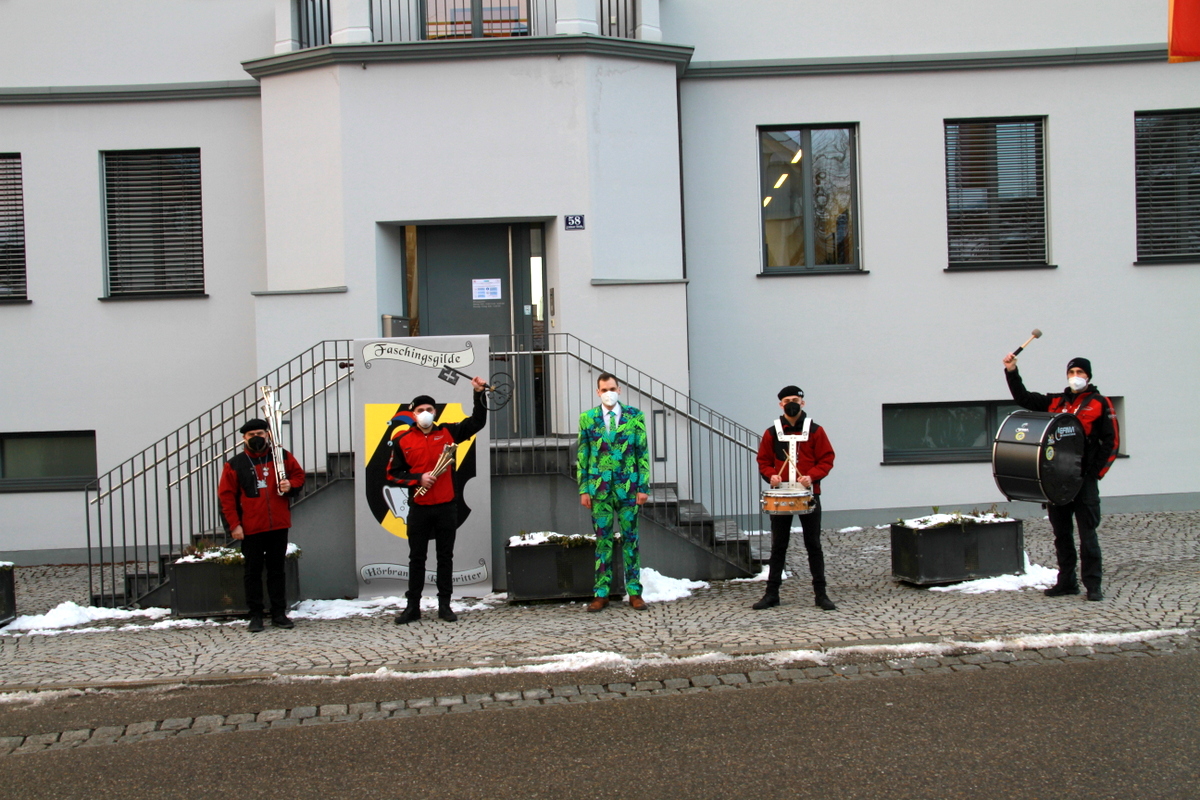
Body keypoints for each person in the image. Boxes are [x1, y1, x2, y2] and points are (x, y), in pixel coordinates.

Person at [1004, 354, 1119, 601]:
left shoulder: (1101, 402)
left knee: (1088, 535)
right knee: (1062, 535)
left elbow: (1112, 442)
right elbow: (1024, 398)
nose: (1075, 376)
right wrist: (1012, 371)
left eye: (1080, 372)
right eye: (1072, 372)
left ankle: (1093, 585)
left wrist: (1094, 474)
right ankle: (1067, 582)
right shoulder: (1055, 401)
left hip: (1084, 480)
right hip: (1056, 482)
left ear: (1088, 376)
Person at [386, 377, 488, 624]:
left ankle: (445, 605)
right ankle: (413, 607)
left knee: (445, 557)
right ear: (413, 413)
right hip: (419, 508)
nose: (425, 413)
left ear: (435, 412)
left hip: (446, 506)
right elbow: (391, 474)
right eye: (420, 410)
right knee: (416, 558)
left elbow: (477, 422)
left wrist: (478, 394)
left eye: (429, 409)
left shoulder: (448, 432)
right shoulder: (402, 440)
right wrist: (417, 479)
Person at [754, 385, 837, 611]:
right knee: (778, 545)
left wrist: (813, 476)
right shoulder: (772, 432)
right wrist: (771, 475)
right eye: (787, 401)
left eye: (795, 400)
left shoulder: (816, 431)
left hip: (809, 494)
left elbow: (827, 458)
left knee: (813, 544)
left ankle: (821, 594)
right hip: (781, 495)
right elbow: (763, 460)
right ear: (781, 404)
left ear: (803, 403)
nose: (791, 404)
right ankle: (772, 594)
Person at [218, 418, 305, 632]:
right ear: (244, 438)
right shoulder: (235, 464)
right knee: (252, 573)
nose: (256, 438)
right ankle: (255, 615)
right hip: (251, 527)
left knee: (277, 571)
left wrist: (290, 485)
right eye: (251, 435)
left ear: (267, 435)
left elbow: (298, 475)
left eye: (260, 433)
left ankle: (278, 613)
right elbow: (226, 497)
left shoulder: (281, 456)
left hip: (278, 525)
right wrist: (234, 525)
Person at [577, 373, 650, 612]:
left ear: (619, 390)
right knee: (603, 542)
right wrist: (584, 489)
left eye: (612, 388)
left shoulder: (635, 416)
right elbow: (583, 455)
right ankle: (601, 593)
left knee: (631, 540)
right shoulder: (588, 418)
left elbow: (642, 453)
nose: (609, 393)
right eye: (604, 389)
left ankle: (635, 592)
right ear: (598, 392)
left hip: (628, 488)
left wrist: (643, 487)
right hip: (599, 489)